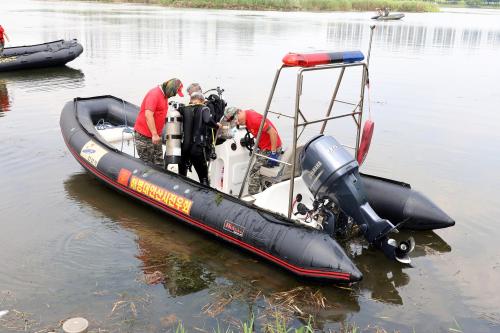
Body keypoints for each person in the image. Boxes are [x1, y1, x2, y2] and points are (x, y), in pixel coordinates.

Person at [225, 107, 282, 195]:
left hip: (271, 149)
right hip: (263, 148)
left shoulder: (254, 119)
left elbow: (273, 133)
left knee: (254, 173)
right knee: (261, 172)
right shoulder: (246, 117)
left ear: (239, 112)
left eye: (236, 119)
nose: (236, 122)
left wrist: (273, 153)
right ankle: (266, 193)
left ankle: (252, 198)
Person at [134, 78, 183, 167]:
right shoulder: (154, 94)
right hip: (145, 136)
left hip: (157, 136)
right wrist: (154, 134)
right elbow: (148, 115)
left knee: (159, 162)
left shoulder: (164, 96)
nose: (173, 95)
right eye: (174, 93)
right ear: (170, 89)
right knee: (147, 164)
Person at [178, 92, 220, 186]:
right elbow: (207, 120)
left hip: (184, 148)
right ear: (202, 100)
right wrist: (217, 125)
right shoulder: (204, 108)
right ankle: (206, 196)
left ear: (191, 99)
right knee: (203, 178)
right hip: (196, 148)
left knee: (181, 176)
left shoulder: (183, 109)